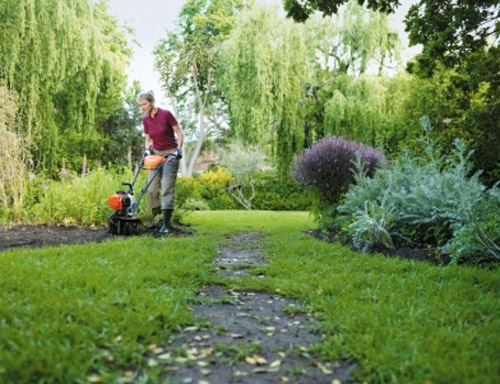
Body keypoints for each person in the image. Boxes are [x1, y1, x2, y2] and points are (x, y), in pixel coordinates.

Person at [138, 90, 184, 234]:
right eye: (140, 105)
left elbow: (180, 134)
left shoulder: (166, 114)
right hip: (156, 154)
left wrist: (179, 149)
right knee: (151, 189)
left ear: (152, 102)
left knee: (167, 187)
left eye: (144, 104)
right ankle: (156, 220)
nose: (142, 107)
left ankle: (166, 224)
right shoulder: (145, 120)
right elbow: (148, 139)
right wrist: (147, 150)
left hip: (170, 153)